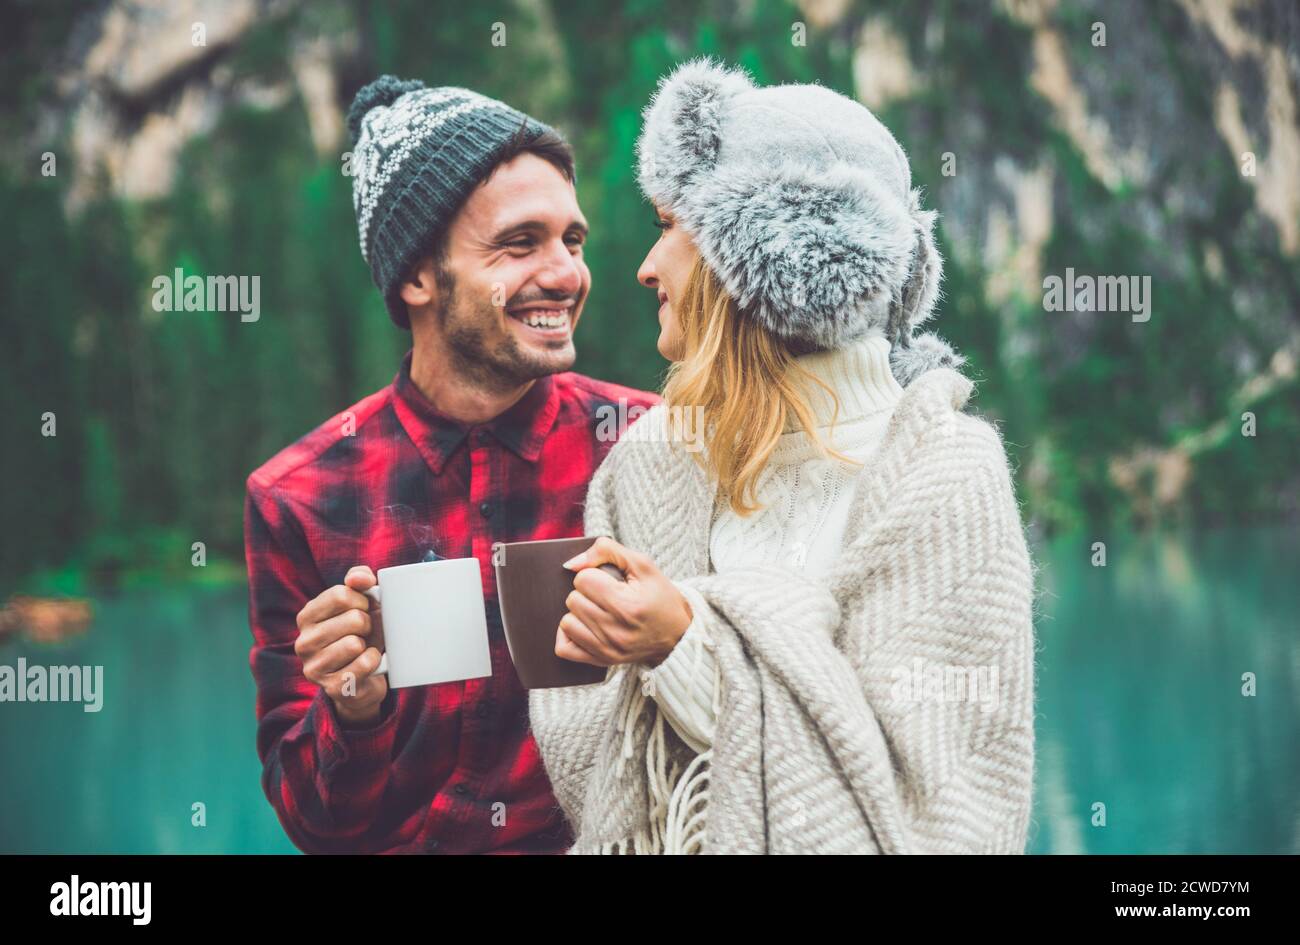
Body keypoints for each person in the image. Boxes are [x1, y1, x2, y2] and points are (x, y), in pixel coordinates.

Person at [527, 59, 1036, 854]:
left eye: (669, 225)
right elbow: (590, 746)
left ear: (764, 252)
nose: (645, 267)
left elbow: (942, 818)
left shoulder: (944, 473)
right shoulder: (647, 463)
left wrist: (689, 643)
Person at [244, 76, 658, 853]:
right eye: (519, 242)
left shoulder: (647, 444)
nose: (567, 274)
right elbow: (316, 825)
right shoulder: (295, 497)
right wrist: (354, 710)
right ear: (417, 277)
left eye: (573, 239)